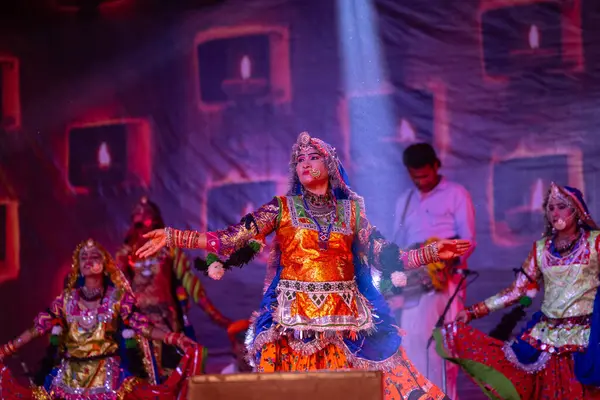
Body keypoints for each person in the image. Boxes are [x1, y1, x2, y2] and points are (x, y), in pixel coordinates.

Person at [136, 131, 472, 400]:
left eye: (313, 158)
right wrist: (174, 236)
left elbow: (388, 256)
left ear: (330, 166)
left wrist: (431, 253)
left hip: (346, 328)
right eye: (299, 160)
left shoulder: (351, 213)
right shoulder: (280, 208)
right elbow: (230, 238)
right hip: (294, 327)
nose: (305, 163)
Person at [438, 183, 600, 399]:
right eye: (550, 208)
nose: (555, 213)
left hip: (585, 340)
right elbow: (516, 291)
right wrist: (473, 311)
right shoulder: (541, 249)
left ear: (577, 210)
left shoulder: (595, 242)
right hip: (547, 340)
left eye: (561, 206)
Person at [0, 239, 204, 400]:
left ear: (105, 265)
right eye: (83, 257)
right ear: (78, 266)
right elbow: (37, 329)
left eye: (94, 256)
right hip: (68, 379)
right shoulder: (66, 300)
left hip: (108, 378)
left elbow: (143, 327)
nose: (88, 260)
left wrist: (174, 338)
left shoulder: (117, 298)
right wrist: (7, 349)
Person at [387, 142, 476, 399]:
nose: (421, 181)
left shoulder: (456, 194)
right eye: (415, 177)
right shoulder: (406, 200)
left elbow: (468, 240)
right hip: (414, 283)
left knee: (443, 348)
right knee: (413, 342)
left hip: (446, 280)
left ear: (436, 166)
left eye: (425, 175)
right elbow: (397, 242)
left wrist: (443, 262)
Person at [116, 196, 231, 378]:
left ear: (155, 219)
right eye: (137, 216)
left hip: (167, 320)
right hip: (138, 323)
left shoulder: (169, 249)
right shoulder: (126, 253)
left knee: (170, 375)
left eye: (146, 215)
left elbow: (190, 283)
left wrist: (216, 316)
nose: (141, 217)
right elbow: (118, 288)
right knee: (139, 377)